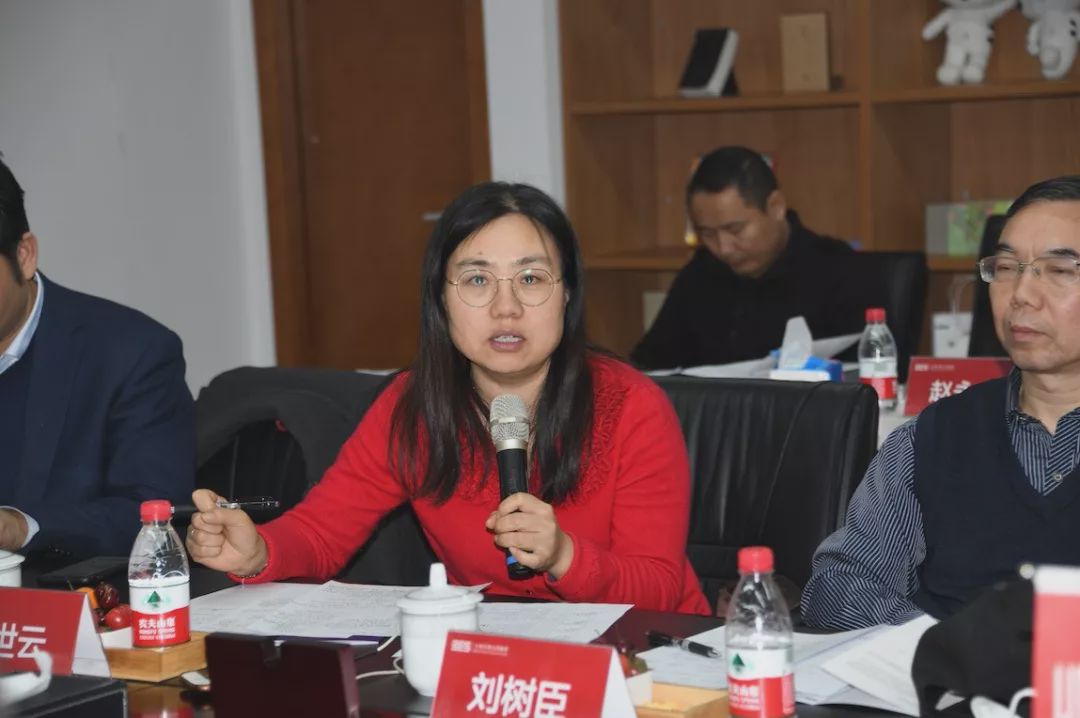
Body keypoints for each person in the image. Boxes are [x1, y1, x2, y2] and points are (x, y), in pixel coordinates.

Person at [186, 181, 710, 614]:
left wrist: (564, 556)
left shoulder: (631, 406)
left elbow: (660, 590)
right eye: (477, 280)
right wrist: (258, 552)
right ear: (441, 298)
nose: (506, 307)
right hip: (498, 656)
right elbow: (322, 533)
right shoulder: (412, 408)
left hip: (652, 657)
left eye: (531, 278)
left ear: (567, 293)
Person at [802, 175, 1080, 629]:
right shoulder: (929, 438)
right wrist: (955, 646)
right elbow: (838, 589)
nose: (1021, 295)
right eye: (1006, 268)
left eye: (1060, 270)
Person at [0, 156, 194, 557]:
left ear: (24, 255)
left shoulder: (132, 353)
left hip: (58, 589)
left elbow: (153, 514)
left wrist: (21, 528)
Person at [631, 146, 877, 370]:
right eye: (707, 234)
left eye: (735, 229)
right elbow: (649, 365)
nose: (724, 248)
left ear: (776, 206)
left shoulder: (839, 272)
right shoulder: (700, 273)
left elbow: (872, 374)